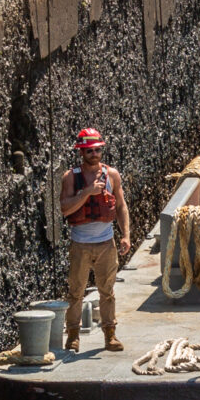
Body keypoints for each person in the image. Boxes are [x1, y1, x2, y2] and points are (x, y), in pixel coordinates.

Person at [59, 128, 130, 353]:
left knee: (107, 290)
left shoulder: (112, 175)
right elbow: (64, 208)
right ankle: (72, 336)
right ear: (81, 152)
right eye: (89, 150)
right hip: (80, 243)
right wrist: (87, 192)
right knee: (76, 291)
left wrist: (126, 235)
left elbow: (120, 206)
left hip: (106, 242)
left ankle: (110, 334)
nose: (94, 153)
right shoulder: (70, 177)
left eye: (98, 149)